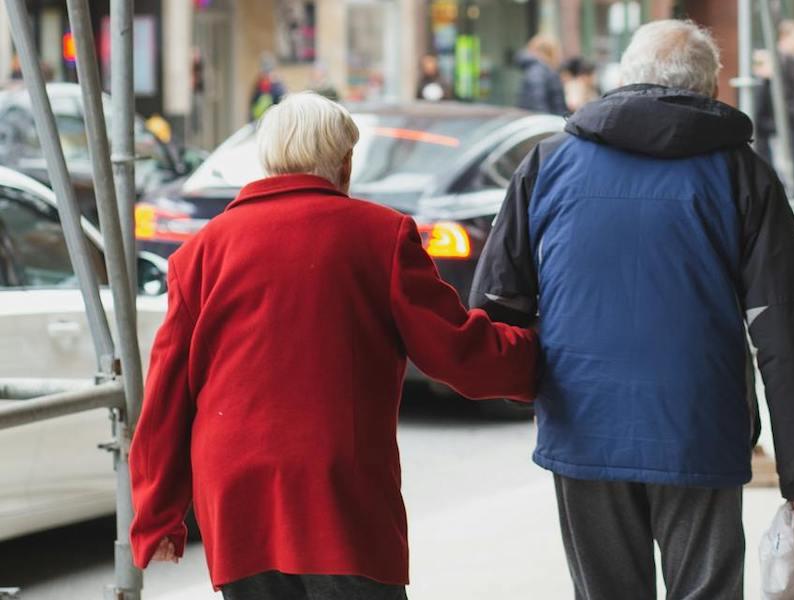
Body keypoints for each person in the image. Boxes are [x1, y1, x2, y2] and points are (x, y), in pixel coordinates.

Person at [471, 19, 794, 600]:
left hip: (584, 425)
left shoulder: (547, 164)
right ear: (711, 90)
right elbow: (787, 333)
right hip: (700, 426)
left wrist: (541, 392)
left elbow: (494, 309)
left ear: (623, 78)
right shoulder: (743, 174)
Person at [129, 92, 539, 599]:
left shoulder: (201, 252)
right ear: (345, 163)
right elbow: (456, 352)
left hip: (236, 492)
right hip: (337, 488)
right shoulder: (381, 235)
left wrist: (158, 515)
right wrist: (537, 356)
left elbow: (167, 393)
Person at [753, 20, 794, 189]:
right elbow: (781, 95)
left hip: (785, 121)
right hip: (780, 122)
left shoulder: (787, 61)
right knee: (792, 167)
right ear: (785, 37)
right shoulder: (774, 61)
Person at [516, 34, 568, 115]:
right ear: (550, 51)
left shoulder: (542, 70)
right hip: (547, 123)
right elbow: (538, 105)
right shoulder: (538, 71)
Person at [249, 53, 286, 121]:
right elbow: (252, 107)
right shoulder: (258, 86)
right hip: (258, 122)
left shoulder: (277, 86)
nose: (266, 77)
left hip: (273, 121)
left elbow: (282, 105)